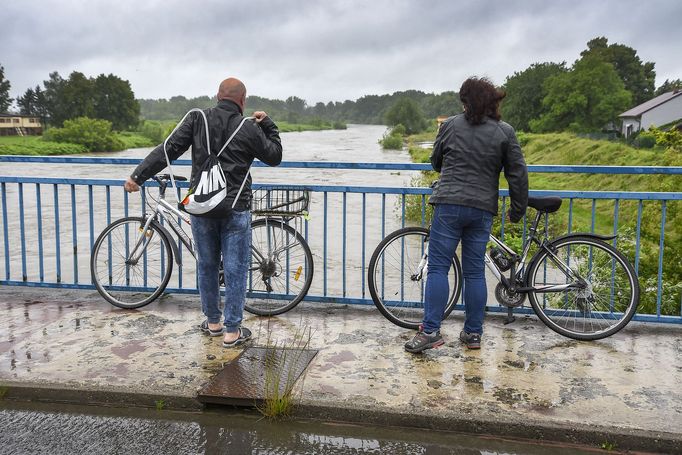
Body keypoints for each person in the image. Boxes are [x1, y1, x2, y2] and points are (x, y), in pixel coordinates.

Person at [124, 77, 282, 348]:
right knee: (235, 269)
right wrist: (267, 123)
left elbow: (168, 150)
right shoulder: (248, 126)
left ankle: (213, 323)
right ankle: (233, 331)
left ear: (217, 96)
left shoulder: (197, 118)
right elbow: (275, 155)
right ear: (242, 102)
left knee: (207, 265)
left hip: (202, 207)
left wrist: (138, 176)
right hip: (236, 207)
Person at [404, 76, 528, 353]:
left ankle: (431, 331)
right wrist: (517, 210)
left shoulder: (449, 126)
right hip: (482, 209)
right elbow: (517, 174)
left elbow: (436, 162)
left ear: (465, 101)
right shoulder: (505, 131)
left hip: (448, 204)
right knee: (474, 273)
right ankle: (473, 334)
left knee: (438, 268)